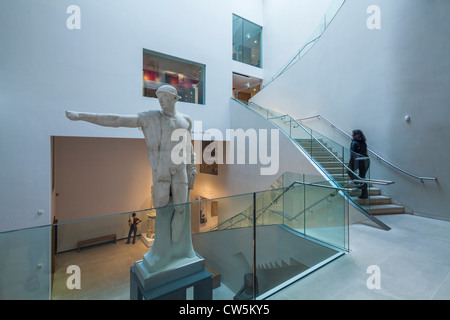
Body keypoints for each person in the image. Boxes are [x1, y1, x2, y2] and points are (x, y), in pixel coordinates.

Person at [66, 84, 198, 274]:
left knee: (180, 208)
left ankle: (179, 250)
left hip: (180, 170)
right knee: (161, 206)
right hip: (161, 170)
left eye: (165, 97)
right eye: (158, 97)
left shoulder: (186, 120)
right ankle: (165, 252)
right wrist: (82, 116)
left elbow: (188, 147)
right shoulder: (150, 117)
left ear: (175, 98)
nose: (160, 100)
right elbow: (118, 120)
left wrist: (192, 167)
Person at [347, 129, 370, 199]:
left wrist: (350, 165)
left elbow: (353, 154)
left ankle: (359, 184)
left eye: (352, 134)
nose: (352, 135)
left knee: (349, 171)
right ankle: (364, 194)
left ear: (355, 135)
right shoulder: (363, 142)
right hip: (366, 160)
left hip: (358, 160)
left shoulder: (354, 143)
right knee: (362, 177)